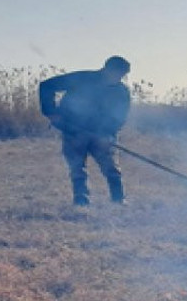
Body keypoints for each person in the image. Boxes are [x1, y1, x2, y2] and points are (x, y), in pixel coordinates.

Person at [39, 56, 132, 206]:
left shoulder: (121, 92)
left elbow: (120, 117)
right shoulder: (81, 78)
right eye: (118, 74)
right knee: (77, 168)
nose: (120, 78)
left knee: (111, 168)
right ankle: (81, 201)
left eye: (123, 76)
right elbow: (46, 86)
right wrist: (50, 112)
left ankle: (118, 199)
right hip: (73, 132)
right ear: (107, 69)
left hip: (102, 136)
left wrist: (109, 135)